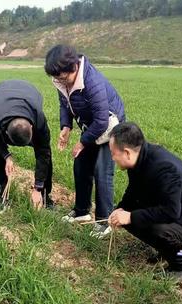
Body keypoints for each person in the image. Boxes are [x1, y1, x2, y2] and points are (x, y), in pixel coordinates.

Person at [107, 122, 182, 281]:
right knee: (127, 217)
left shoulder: (164, 167)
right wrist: (121, 209)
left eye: (113, 153)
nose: (112, 158)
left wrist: (131, 216)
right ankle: (167, 250)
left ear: (127, 152)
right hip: (177, 210)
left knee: (154, 228)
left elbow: (170, 211)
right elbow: (133, 190)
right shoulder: (139, 160)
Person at [45, 44, 125, 239]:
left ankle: (103, 221)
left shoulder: (92, 81)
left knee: (102, 170)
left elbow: (101, 121)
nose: (59, 81)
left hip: (109, 127)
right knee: (80, 164)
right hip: (92, 126)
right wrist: (66, 126)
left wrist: (82, 142)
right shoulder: (62, 80)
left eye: (62, 77)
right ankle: (82, 211)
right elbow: (65, 103)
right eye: (56, 78)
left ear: (73, 68)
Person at [0, 79, 53, 211]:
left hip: (30, 92)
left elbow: (43, 153)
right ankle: (0, 197)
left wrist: (37, 187)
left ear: (32, 126)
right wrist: (6, 155)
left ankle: (44, 196)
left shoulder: (38, 119)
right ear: (6, 133)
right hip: (1, 91)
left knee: (45, 153)